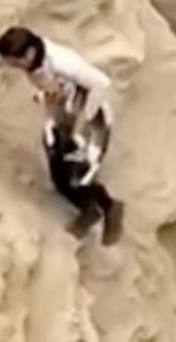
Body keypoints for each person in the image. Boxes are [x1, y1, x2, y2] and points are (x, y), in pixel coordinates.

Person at [0, 25, 115, 185]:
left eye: (14, 62)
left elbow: (101, 84)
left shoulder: (63, 63)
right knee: (54, 139)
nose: (11, 65)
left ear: (29, 53)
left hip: (90, 103)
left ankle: (88, 184)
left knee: (88, 156)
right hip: (57, 99)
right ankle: (64, 175)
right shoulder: (20, 54)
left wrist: (80, 113)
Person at [39, 86, 118, 244]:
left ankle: (96, 210)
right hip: (72, 136)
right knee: (64, 176)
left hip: (82, 138)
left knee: (70, 178)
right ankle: (104, 206)